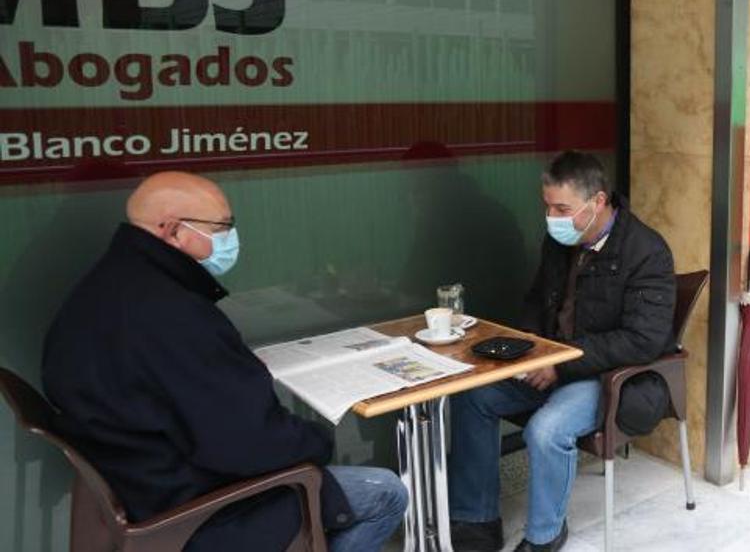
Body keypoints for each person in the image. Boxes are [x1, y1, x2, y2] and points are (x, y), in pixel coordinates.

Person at [42, 172, 407, 552]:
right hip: (194, 510)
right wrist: (319, 440)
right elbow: (249, 443)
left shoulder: (109, 284)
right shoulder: (171, 315)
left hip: (142, 479)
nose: (229, 239)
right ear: (173, 231)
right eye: (221, 227)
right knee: (385, 493)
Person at [448, 151, 676, 552]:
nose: (551, 216)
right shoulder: (560, 240)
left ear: (599, 202)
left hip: (601, 375)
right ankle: (475, 518)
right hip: (551, 363)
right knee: (473, 394)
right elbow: (537, 300)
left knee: (547, 430)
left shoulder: (646, 251)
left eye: (562, 208)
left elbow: (643, 340)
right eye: (546, 205)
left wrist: (560, 363)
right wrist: (532, 351)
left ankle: (545, 535)